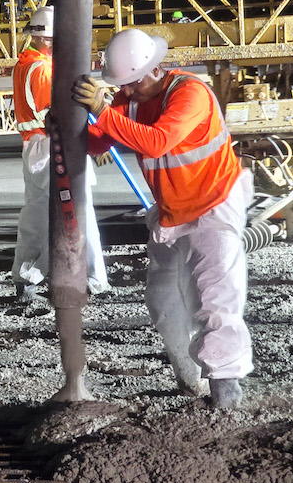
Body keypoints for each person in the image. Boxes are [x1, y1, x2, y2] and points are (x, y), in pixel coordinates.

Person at [73, 28, 253, 409]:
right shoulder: (131, 98)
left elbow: (157, 141)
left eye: (129, 85)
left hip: (212, 203)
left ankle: (225, 390)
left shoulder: (191, 94)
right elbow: (100, 139)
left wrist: (103, 112)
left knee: (215, 297)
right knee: (164, 299)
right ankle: (190, 382)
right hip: (172, 213)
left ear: (150, 72)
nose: (124, 92)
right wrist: (68, 125)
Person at [10, 8, 108, 302]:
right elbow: (56, 118)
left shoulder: (25, 65)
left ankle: (25, 276)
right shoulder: (41, 70)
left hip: (35, 150)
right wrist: (93, 142)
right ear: (49, 41)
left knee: (37, 215)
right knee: (78, 212)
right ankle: (93, 278)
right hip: (52, 148)